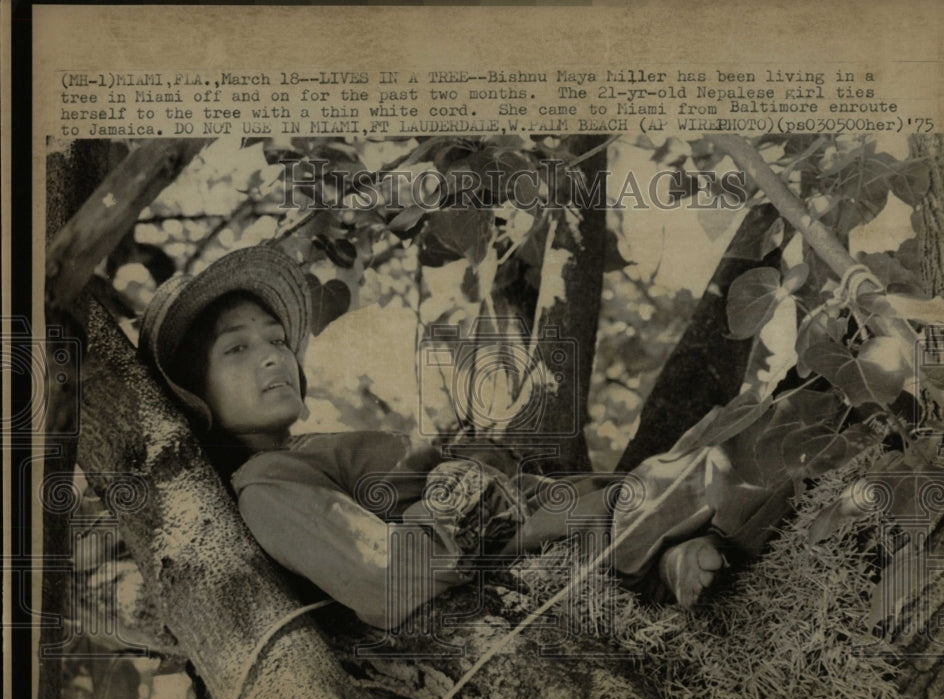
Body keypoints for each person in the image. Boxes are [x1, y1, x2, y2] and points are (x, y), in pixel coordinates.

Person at [139, 245, 785, 629]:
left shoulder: (306, 452)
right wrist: (462, 491)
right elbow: (385, 579)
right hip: (523, 546)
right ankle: (662, 545)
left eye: (277, 340)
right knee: (745, 455)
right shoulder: (265, 489)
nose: (273, 357)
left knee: (727, 438)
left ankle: (666, 553)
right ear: (196, 398)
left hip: (551, 514)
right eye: (237, 349)